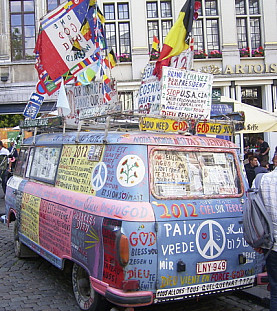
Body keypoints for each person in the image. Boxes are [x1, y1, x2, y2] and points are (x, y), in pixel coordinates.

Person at [255, 166, 277, 311]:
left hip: (271, 245)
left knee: (275, 290)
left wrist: (257, 240)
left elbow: (255, 213)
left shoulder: (263, 180)